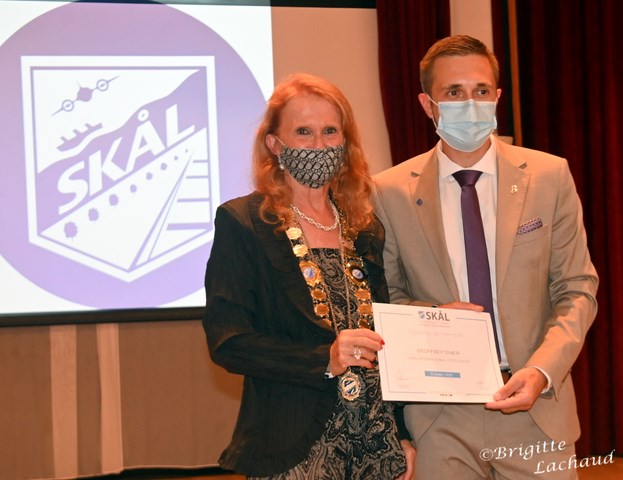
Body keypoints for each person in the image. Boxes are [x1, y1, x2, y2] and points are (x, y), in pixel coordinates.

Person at [372, 35, 598, 479]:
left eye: (480, 90)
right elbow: (388, 298)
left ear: (497, 96)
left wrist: (542, 370)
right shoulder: (389, 191)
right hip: (440, 418)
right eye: (453, 92)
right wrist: (436, 316)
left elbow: (577, 289)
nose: (469, 103)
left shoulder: (549, 175)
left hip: (534, 406)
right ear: (427, 105)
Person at [202, 72, 415, 479]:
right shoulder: (243, 223)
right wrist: (324, 360)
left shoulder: (364, 226)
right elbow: (229, 342)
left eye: (330, 131)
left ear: (346, 142)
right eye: (303, 132)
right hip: (293, 449)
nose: (319, 144)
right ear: (274, 144)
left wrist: (403, 435)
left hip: (377, 445)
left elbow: (387, 337)